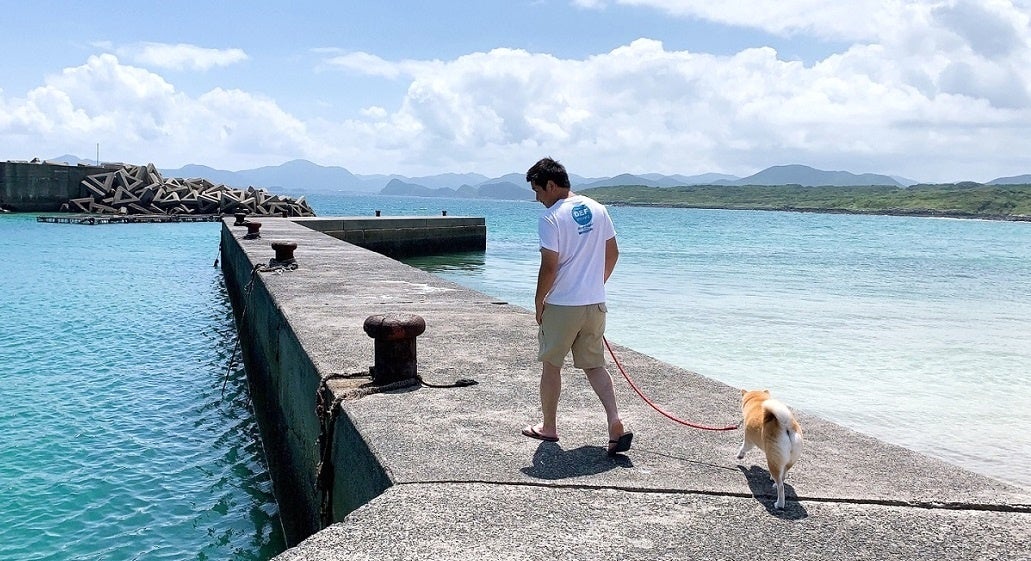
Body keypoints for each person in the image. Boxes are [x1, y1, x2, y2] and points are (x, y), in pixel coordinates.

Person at [520, 157, 633, 456]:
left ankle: (549, 427)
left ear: (551, 185)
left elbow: (549, 266)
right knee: (595, 365)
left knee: (551, 365)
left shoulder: (551, 217)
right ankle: (614, 418)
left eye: (538, 190)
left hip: (561, 305)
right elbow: (613, 253)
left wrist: (538, 302)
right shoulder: (598, 209)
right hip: (594, 303)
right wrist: (596, 285)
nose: (537, 198)